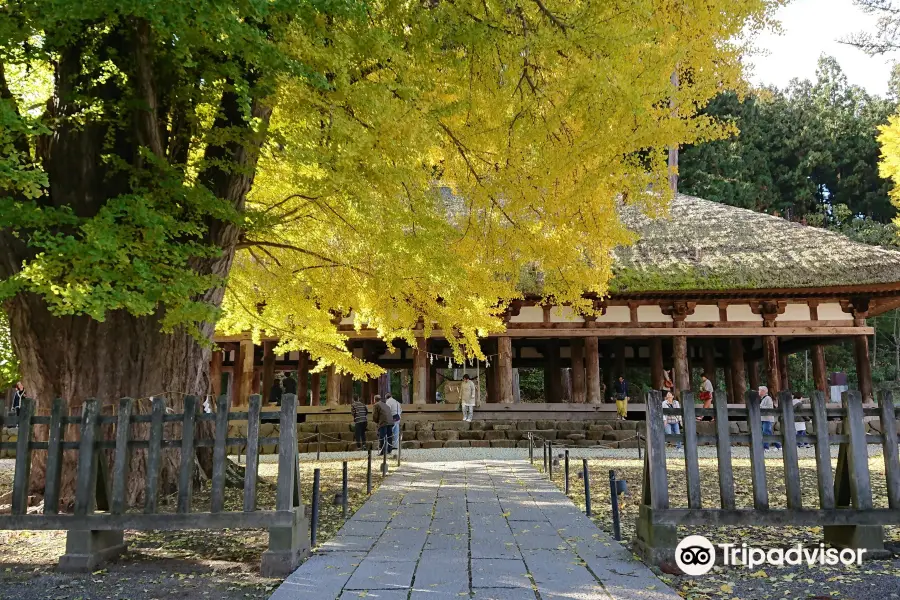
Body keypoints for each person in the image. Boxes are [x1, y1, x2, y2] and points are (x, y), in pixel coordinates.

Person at [759, 385, 781, 451]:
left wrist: (760, 407)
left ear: (763, 391)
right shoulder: (763, 398)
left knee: (766, 432)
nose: (758, 392)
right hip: (763, 418)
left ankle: (766, 447)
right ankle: (778, 446)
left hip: (767, 418)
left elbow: (769, 407)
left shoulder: (768, 398)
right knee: (768, 432)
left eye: (759, 390)